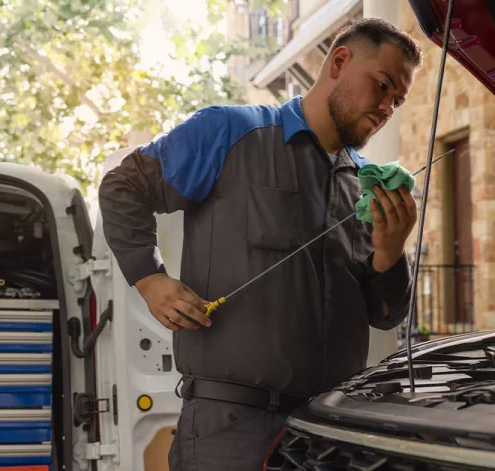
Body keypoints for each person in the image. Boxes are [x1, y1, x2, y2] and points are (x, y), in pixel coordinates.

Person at [98, 17, 423, 471]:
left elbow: (385, 315)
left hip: (331, 434)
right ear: (340, 61)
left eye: (398, 100)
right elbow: (123, 186)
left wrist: (391, 251)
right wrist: (149, 279)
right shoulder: (230, 131)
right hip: (231, 429)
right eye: (383, 85)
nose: (388, 106)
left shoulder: (366, 187)